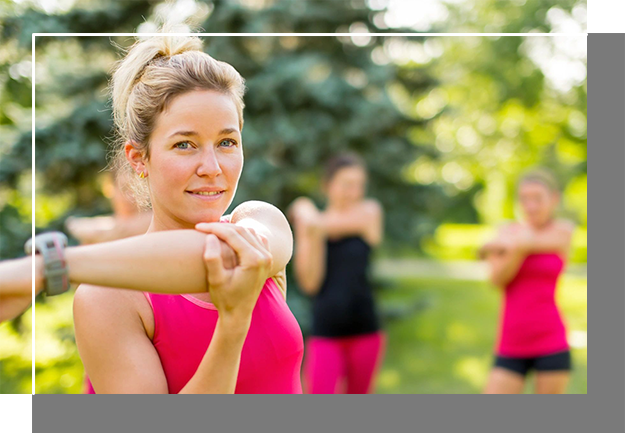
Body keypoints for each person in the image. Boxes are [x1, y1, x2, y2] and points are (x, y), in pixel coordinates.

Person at [61, 33, 304, 394]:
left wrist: (44, 270)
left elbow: (219, 255)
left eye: (226, 142)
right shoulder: (106, 296)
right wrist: (233, 322)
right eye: (184, 144)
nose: (211, 167)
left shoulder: (259, 223)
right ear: (138, 159)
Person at [289, 153, 385, 394]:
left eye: (359, 185)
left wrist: (306, 215)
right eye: (346, 185)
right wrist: (310, 235)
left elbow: (323, 223)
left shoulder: (369, 212)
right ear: (327, 186)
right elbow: (310, 284)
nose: (354, 192)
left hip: (365, 328)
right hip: (326, 330)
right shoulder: (312, 227)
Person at [480, 169, 575, 394]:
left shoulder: (563, 230)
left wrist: (510, 244)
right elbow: (496, 279)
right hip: (511, 340)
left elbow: (549, 240)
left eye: (537, 198)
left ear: (554, 199)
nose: (531, 206)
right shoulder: (506, 231)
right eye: (525, 199)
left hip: (551, 338)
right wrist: (518, 249)